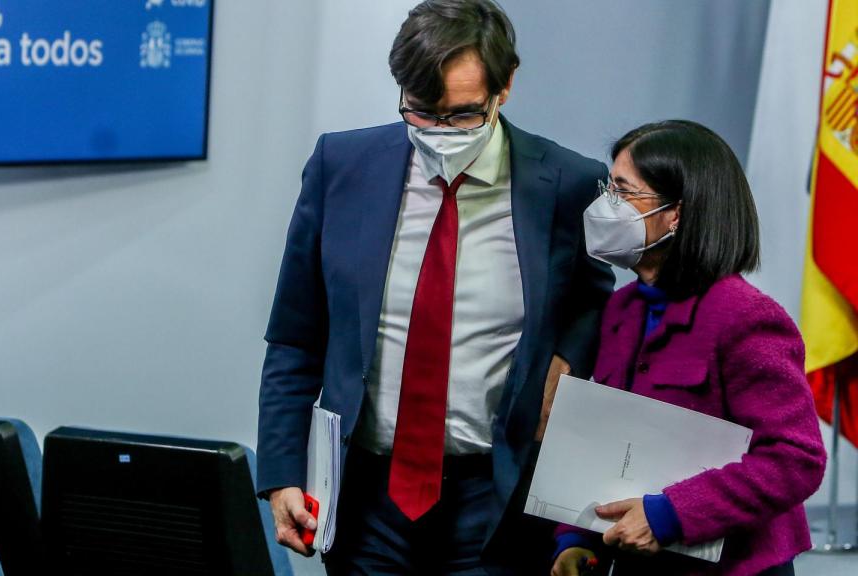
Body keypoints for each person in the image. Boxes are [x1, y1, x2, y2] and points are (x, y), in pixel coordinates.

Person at [256, 1, 615, 573]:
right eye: (421, 113)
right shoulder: (342, 166)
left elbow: (595, 297)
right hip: (366, 494)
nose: (441, 132)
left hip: (494, 495)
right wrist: (281, 476)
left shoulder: (568, 184)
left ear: (506, 88)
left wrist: (566, 359)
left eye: (463, 115)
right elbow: (296, 336)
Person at [550, 120, 827, 576]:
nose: (605, 206)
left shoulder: (746, 316)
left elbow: (794, 459)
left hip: (736, 567)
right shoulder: (620, 309)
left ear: (676, 214)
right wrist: (575, 538)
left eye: (623, 191)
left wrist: (670, 515)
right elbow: (605, 439)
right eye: (608, 187)